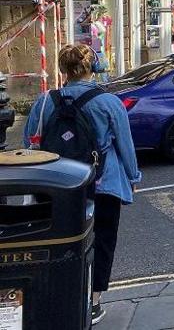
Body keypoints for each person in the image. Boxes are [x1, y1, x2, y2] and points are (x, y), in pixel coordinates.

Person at [23, 44, 141, 325]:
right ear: (93, 68)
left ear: (63, 69)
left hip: (55, 188)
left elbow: (29, 143)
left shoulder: (44, 102)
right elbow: (126, 146)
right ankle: (93, 302)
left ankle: (57, 297)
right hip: (102, 183)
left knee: (56, 246)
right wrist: (133, 178)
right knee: (102, 242)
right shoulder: (109, 103)